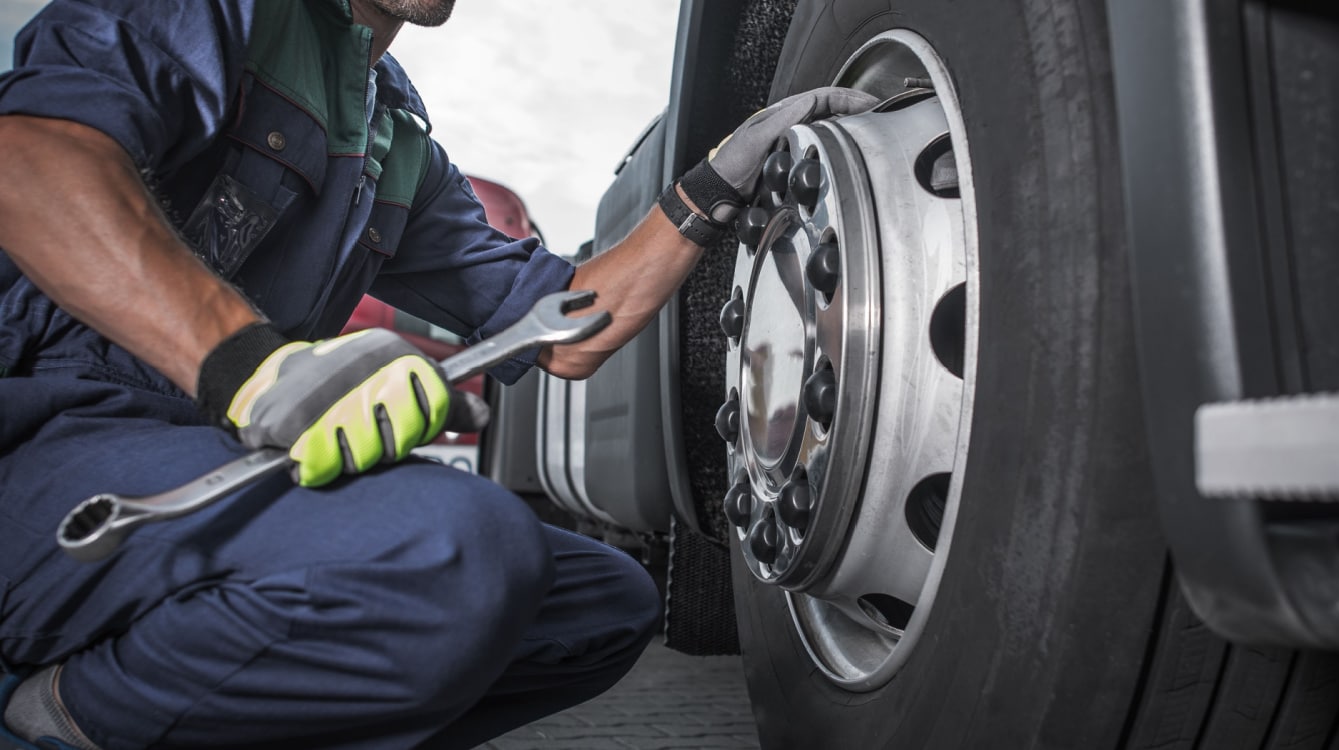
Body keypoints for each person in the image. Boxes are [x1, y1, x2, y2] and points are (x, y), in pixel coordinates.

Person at [0, 1, 877, 748]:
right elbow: (31, 164)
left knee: (600, 606)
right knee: (447, 555)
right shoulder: (214, 11)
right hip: (48, 450)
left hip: (212, 461)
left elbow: (566, 327)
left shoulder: (394, 141)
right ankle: (60, 717)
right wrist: (255, 368)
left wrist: (711, 186)